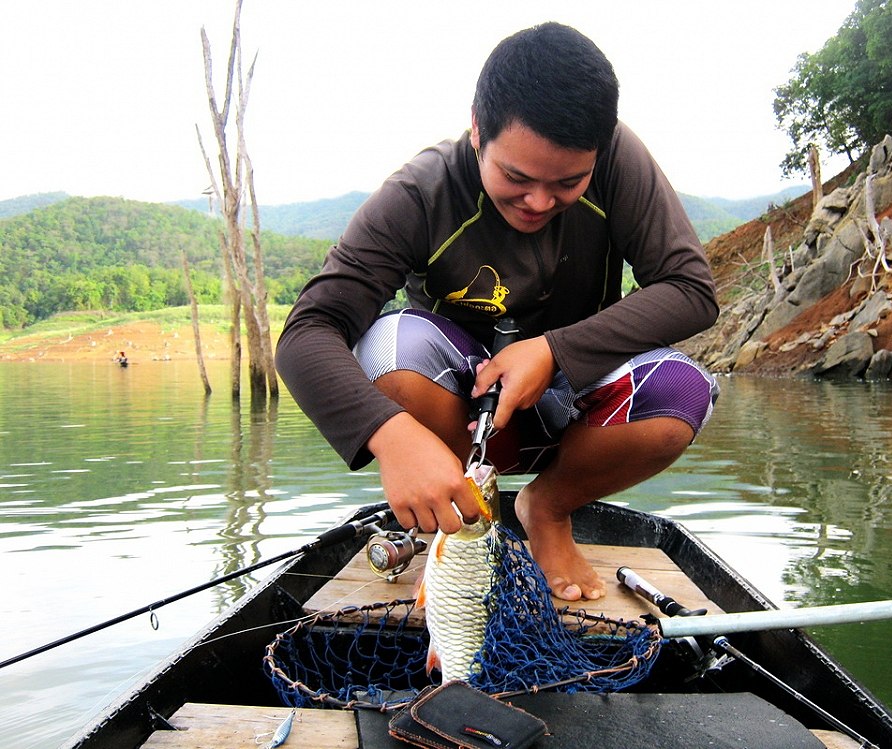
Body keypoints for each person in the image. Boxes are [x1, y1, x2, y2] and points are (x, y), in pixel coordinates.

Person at [276, 22, 719, 602]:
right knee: (390, 348)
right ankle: (458, 530)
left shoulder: (616, 158)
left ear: (599, 149)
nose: (540, 201)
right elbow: (307, 332)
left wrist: (553, 351)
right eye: (516, 177)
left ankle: (548, 509)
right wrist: (391, 438)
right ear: (478, 130)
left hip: (572, 406)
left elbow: (691, 288)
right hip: (463, 418)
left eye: (568, 182)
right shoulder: (420, 193)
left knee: (683, 391)